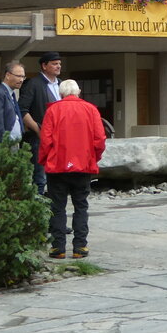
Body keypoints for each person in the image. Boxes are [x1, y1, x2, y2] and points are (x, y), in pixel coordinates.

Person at [39, 78, 106, 260]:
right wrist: (93, 158)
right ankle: (80, 246)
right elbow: (99, 140)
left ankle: (58, 247)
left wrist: (44, 161)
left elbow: (45, 141)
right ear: (78, 91)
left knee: (57, 207)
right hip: (83, 167)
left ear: (60, 93)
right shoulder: (91, 109)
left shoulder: (52, 110)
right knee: (81, 206)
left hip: (57, 167)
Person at [20, 51, 63, 195]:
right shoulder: (33, 84)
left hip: (60, 138)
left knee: (58, 175)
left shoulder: (62, 85)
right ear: (44, 66)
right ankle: (37, 210)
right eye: (54, 64)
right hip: (39, 138)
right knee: (40, 177)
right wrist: (39, 131)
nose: (58, 66)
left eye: (59, 64)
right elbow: (22, 110)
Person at [0, 62, 25, 141]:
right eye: (18, 76)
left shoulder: (11, 94)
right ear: (8, 75)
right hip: (4, 146)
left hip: (13, 145)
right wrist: (3, 144)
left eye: (23, 77)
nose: (21, 80)